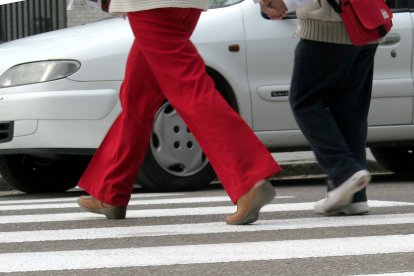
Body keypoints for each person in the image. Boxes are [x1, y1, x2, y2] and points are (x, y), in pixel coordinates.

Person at [77, 0, 281, 224]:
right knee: (138, 96)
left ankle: (248, 179)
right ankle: (109, 190)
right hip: (186, 5)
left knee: (189, 88)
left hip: (149, 5)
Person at [260, 0, 378, 215]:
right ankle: (353, 197)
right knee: (349, 110)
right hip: (366, 24)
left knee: (304, 101)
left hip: (329, 27)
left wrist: (285, 2)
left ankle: (345, 172)